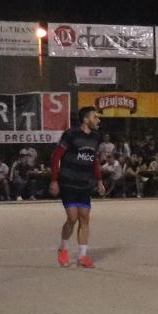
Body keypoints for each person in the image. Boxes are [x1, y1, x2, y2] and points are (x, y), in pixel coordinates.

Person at [50, 106, 105, 267]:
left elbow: (94, 160)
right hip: (68, 181)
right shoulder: (71, 134)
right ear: (86, 119)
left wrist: (99, 181)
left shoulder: (96, 137)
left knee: (84, 219)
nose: (98, 120)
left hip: (84, 184)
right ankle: (64, 249)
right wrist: (54, 180)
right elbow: (56, 157)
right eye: (95, 117)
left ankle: (82, 256)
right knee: (72, 218)